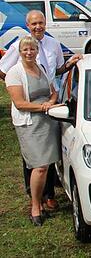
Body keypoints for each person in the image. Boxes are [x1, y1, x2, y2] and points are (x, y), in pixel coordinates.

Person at [0, 10, 80, 212]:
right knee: (34, 158)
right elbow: (3, 69)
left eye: (41, 22)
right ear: (28, 25)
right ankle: (34, 194)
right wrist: (16, 86)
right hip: (30, 110)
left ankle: (50, 194)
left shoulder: (53, 44)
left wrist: (71, 63)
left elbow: (58, 70)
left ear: (46, 23)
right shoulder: (21, 43)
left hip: (50, 104)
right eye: (34, 23)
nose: (38, 26)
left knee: (51, 153)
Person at [4, 36, 60, 226]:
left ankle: (45, 199)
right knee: (39, 166)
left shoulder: (41, 69)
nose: (29, 53)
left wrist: (51, 102)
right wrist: (44, 107)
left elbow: (53, 90)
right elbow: (19, 103)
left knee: (48, 164)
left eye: (32, 49)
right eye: (25, 50)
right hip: (29, 124)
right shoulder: (15, 73)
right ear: (20, 52)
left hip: (48, 122)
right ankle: (35, 205)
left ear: (37, 51)